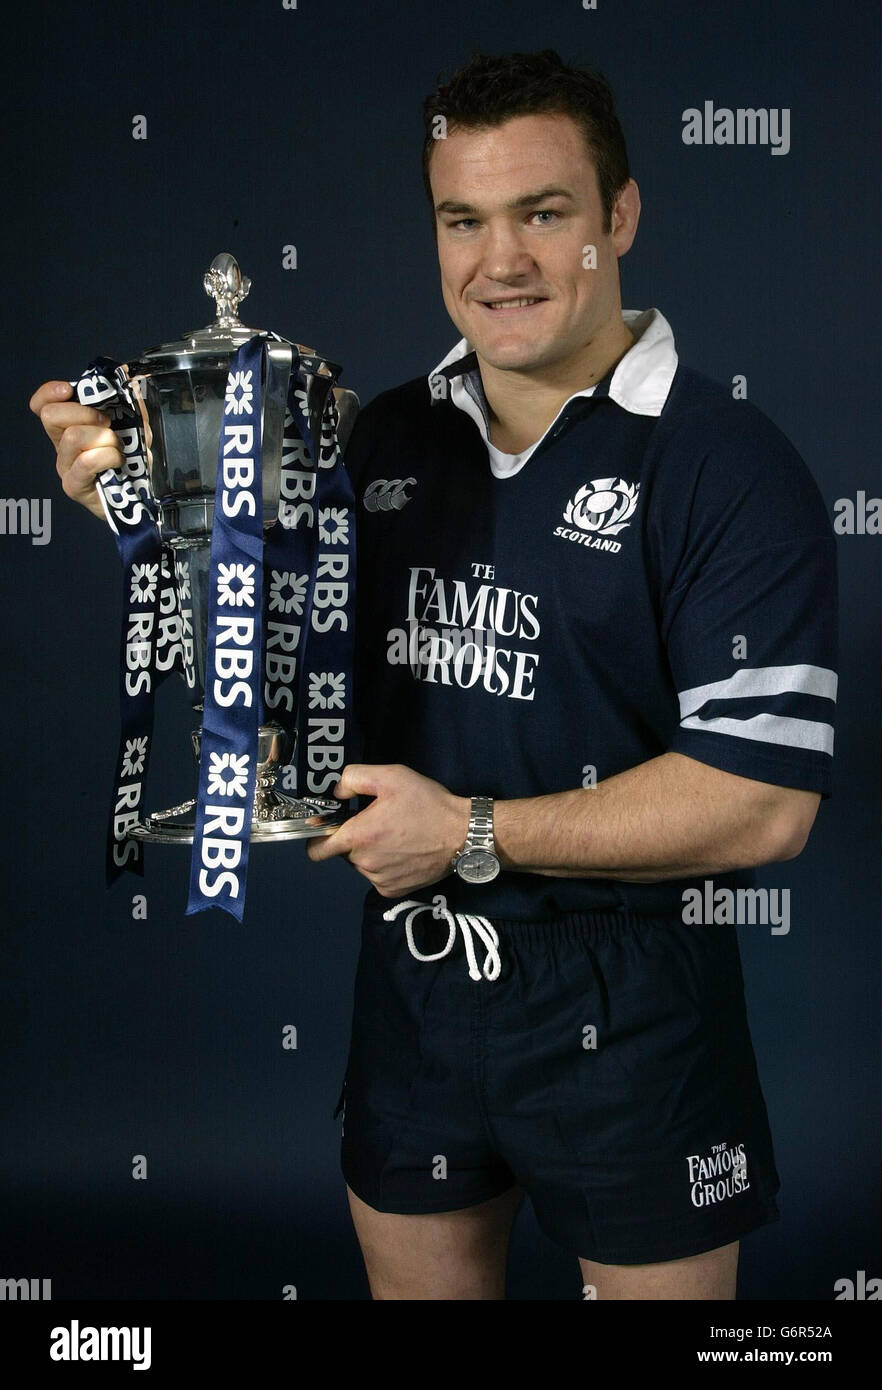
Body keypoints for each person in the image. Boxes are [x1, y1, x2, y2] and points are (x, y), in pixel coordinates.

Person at [31, 49, 837, 1301]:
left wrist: (468, 830)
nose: (499, 260)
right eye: (464, 219)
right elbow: (281, 690)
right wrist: (161, 525)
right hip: (416, 985)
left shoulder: (726, 463)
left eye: (544, 213)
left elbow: (766, 804)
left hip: (632, 1010)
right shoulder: (380, 438)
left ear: (619, 216)